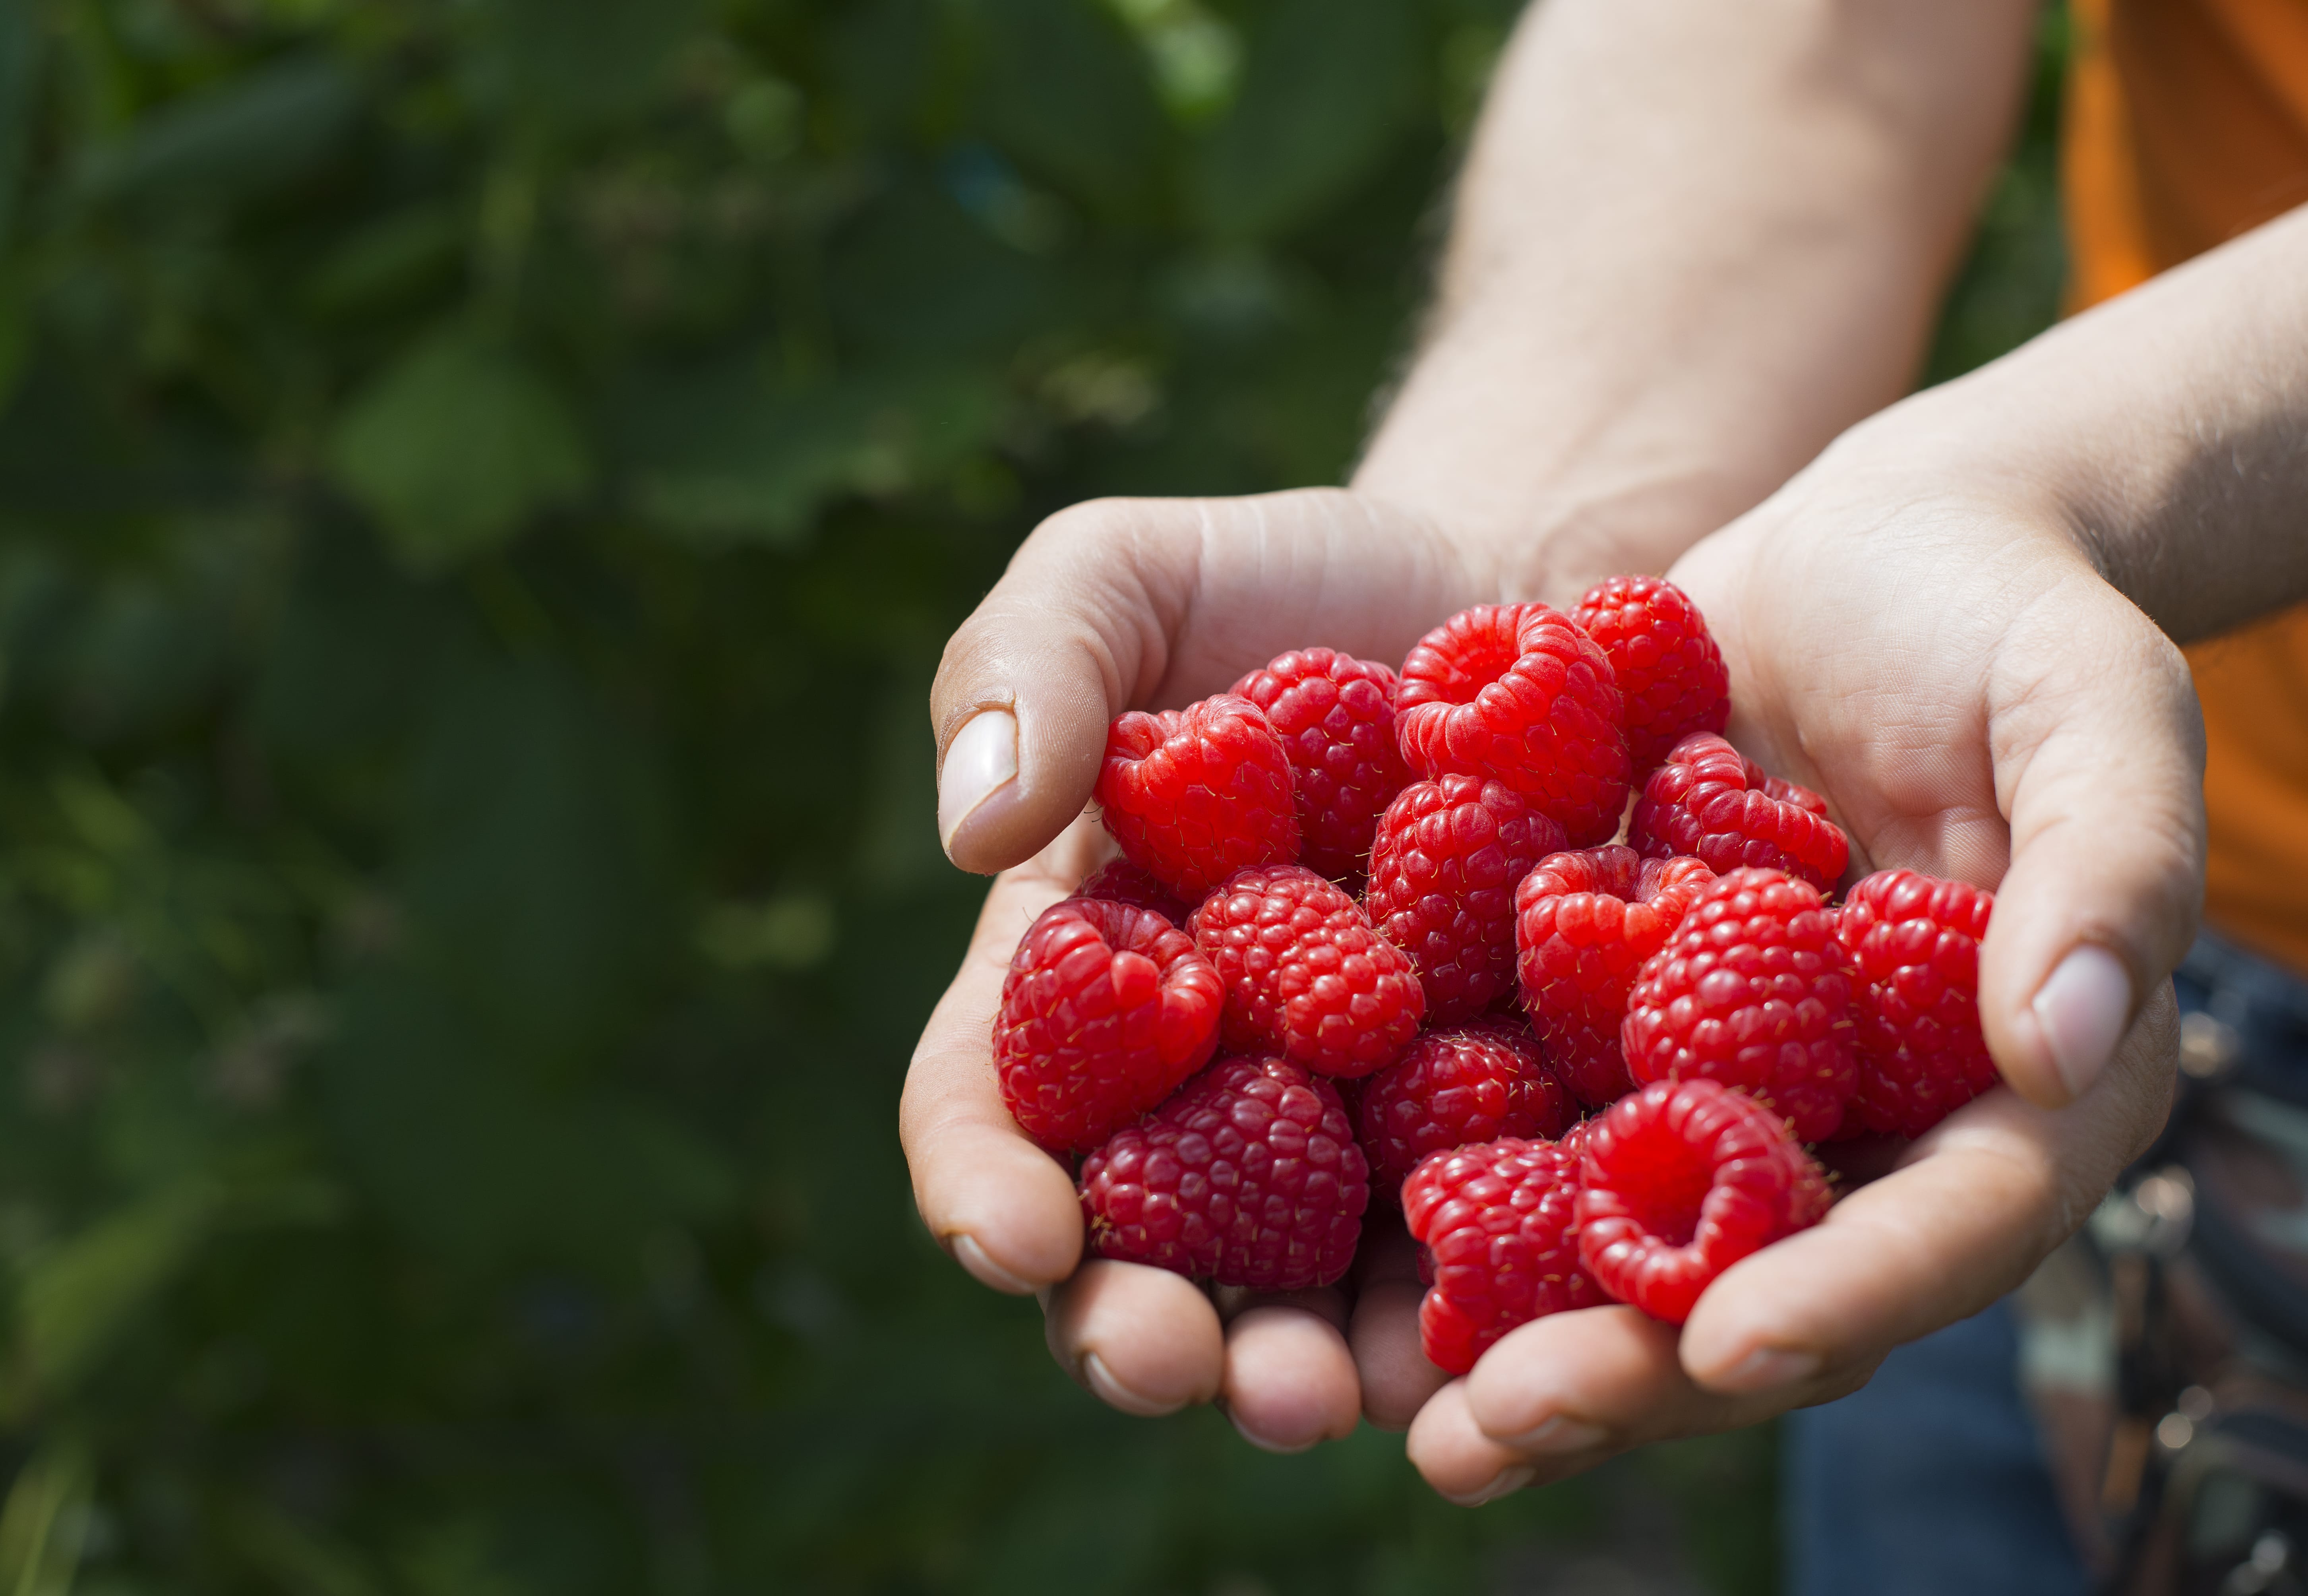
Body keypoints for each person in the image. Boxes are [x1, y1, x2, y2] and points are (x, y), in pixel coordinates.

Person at [900, 0, 2308, 1587]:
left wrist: (2048, 480)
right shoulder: (1571, 920)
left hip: (2065, 941)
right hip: (2113, 974)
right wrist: (1520, 508)